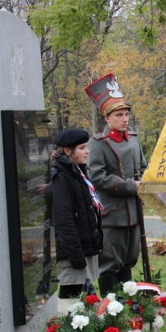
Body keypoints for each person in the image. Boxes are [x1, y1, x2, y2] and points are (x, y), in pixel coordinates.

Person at [85, 73, 147, 296]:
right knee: (111, 263)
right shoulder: (98, 143)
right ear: (107, 118)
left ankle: (126, 305)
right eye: (119, 115)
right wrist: (131, 186)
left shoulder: (134, 138)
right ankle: (110, 309)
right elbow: (98, 177)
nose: (124, 119)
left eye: (126, 114)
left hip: (134, 211)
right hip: (113, 214)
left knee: (130, 260)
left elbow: (142, 167)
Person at [51, 128, 103, 298]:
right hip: (73, 252)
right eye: (82, 148)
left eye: (86, 147)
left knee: (84, 300)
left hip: (83, 247)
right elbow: (64, 219)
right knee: (70, 298)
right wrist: (76, 256)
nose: (87, 151)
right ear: (68, 151)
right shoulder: (62, 177)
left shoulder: (77, 171)